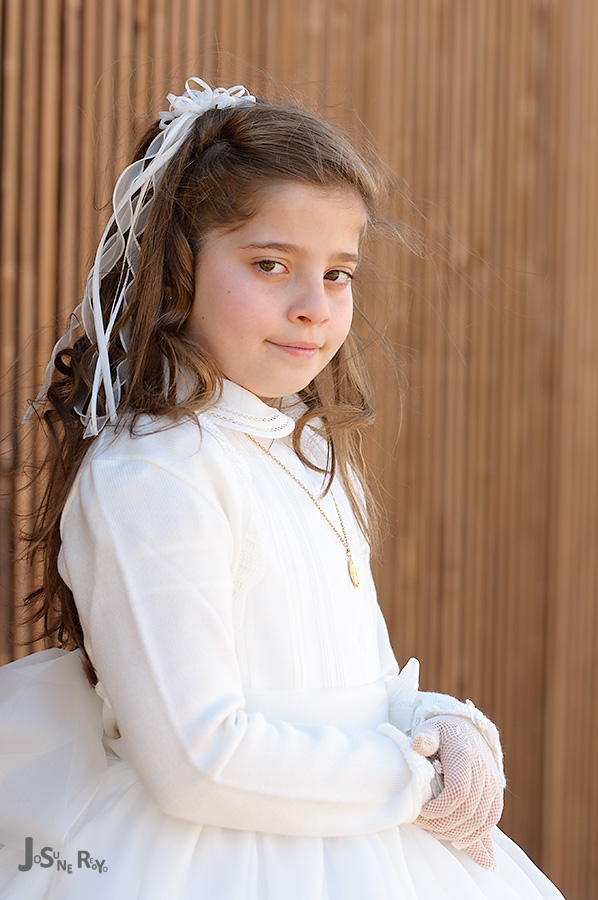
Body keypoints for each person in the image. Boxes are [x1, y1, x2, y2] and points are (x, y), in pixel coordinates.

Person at [0, 78, 564, 899]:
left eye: (338, 273)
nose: (312, 306)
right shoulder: (155, 474)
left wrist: (437, 723)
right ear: (181, 270)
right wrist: (410, 780)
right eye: (271, 265)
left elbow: (353, 677)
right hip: (215, 860)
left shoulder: (308, 448)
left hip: (366, 838)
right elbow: (198, 759)